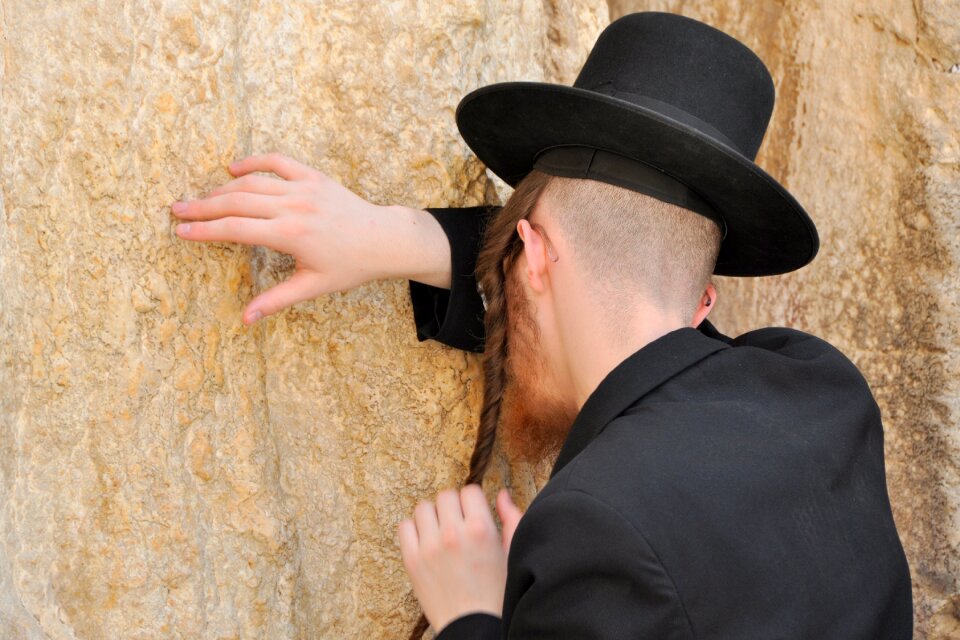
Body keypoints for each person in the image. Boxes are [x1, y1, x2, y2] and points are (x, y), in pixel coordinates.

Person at [171, 11, 913, 639]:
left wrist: (469, 614)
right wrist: (402, 240)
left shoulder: (595, 528)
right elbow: (640, 320)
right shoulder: (819, 387)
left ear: (530, 256)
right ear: (705, 305)